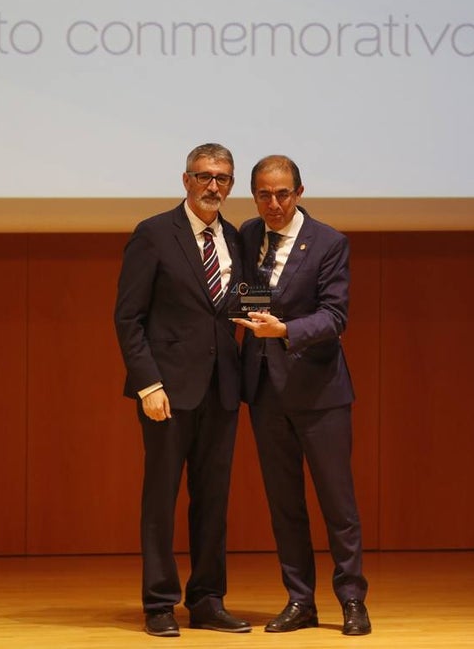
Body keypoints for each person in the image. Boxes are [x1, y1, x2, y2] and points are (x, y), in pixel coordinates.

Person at [114, 143, 251, 637]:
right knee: (161, 498)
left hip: (222, 391)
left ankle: (208, 599)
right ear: (186, 180)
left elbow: (238, 309)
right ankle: (158, 603)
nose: (214, 186)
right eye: (205, 176)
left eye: (223, 178)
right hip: (167, 393)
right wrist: (148, 383)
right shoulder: (154, 234)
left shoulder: (235, 239)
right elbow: (128, 317)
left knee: (213, 500)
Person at [231, 155, 371, 636]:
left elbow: (335, 316)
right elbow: (243, 293)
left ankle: (352, 599)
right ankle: (300, 600)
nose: (274, 203)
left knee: (337, 503)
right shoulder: (247, 234)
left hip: (320, 393)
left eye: (283, 194)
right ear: (253, 196)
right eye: (264, 195)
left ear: (300, 191)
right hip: (266, 391)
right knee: (284, 503)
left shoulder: (330, 242)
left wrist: (284, 329)